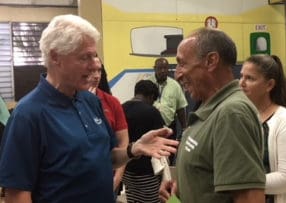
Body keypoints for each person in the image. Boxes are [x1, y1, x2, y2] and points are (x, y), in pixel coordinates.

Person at [0, 14, 179, 203]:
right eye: (85, 57)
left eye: (94, 55)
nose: (95, 64)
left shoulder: (90, 101)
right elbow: (18, 194)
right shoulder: (28, 115)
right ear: (55, 57)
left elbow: (107, 157)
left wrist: (133, 149)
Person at [159, 27, 266, 203]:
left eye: (182, 64)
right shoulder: (211, 109)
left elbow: (249, 198)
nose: (177, 74)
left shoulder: (232, 114)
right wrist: (182, 188)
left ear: (211, 61)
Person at [239, 54, 286, 203]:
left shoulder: (285, 120)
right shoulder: (242, 115)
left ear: (269, 85)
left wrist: (237, 183)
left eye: (250, 78)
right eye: (241, 76)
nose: (241, 83)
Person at [88, 57, 129, 194]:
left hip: (108, 176)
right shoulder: (71, 101)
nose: (96, 75)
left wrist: (117, 179)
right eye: (91, 70)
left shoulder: (111, 102)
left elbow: (123, 143)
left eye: (99, 71)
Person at [122, 79, 165, 203]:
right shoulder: (152, 112)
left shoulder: (120, 108)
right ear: (151, 96)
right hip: (147, 171)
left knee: (133, 200)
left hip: (126, 169)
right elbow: (162, 140)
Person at [149, 57, 188, 164]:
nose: (163, 71)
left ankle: (167, 179)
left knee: (168, 156)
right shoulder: (147, 83)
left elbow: (180, 107)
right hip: (151, 129)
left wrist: (184, 127)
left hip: (169, 128)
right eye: (160, 68)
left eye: (165, 68)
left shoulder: (175, 86)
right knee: (152, 158)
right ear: (154, 69)